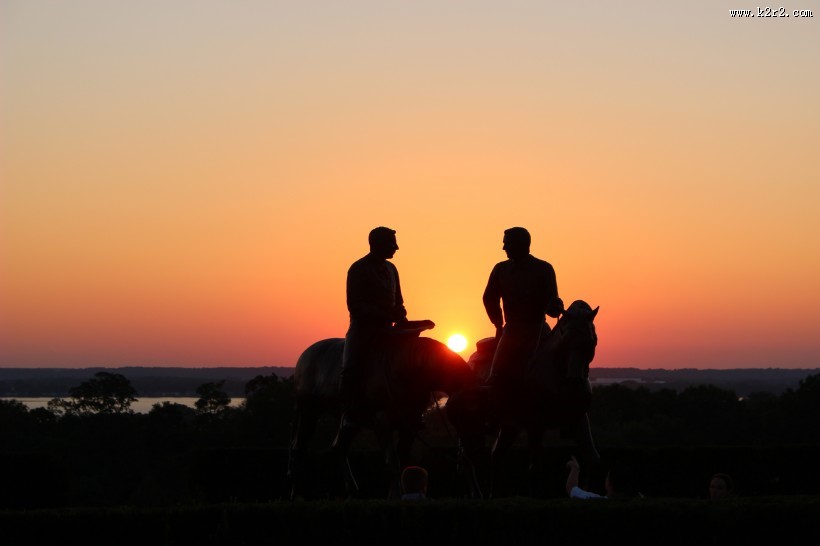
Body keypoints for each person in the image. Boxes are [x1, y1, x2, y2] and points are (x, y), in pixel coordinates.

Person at [338, 226, 409, 431]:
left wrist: (402, 316)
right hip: (363, 330)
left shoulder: (392, 269)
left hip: (390, 329)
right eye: (391, 243)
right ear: (377, 244)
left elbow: (399, 301)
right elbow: (356, 306)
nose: (396, 247)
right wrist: (387, 316)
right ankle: (348, 411)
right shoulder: (358, 269)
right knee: (350, 367)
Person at [482, 227, 563, 396]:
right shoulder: (500, 269)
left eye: (507, 244)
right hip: (512, 331)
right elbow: (489, 298)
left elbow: (552, 304)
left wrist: (555, 307)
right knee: (496, 374)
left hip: (539, 329)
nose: (503, 248)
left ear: (521, 244)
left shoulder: (544, 269)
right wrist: (498, 323)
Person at [565, 455, 638, 499]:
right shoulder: (638, 503)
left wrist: (575, 468)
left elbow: (571, 489)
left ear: (609, 485)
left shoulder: (595, 501)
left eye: (607, 477)